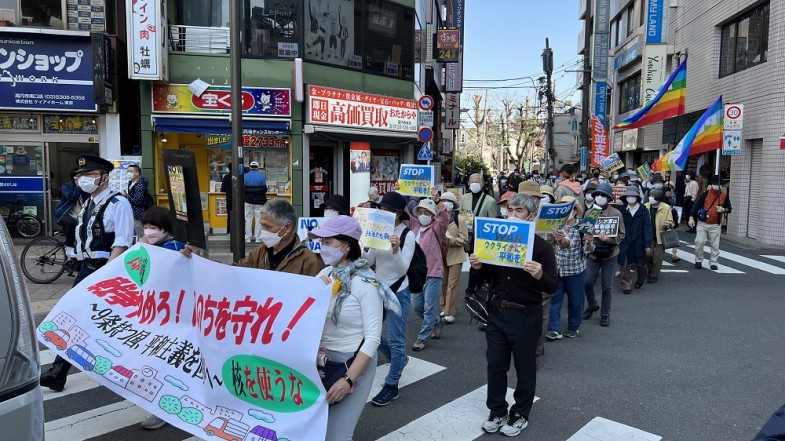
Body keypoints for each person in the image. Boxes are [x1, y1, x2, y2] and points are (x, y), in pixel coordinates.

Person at [40, 154, 134, 392]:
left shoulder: (118, 203)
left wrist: (106, 277)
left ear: (105, 177)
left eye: (89, 175)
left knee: (91, 323)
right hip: (86, 269)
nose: (83, 179)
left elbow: (121, 244)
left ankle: (59, 373)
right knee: (78, 322)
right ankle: (57, 373)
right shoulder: (88, 203)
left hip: (102, 272)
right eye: (80, 176)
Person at [470, 193, 558, 437]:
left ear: (531, 215)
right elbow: (486, 278)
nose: (512, 215)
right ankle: (497, 410)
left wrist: (540, 274)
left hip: (526, 315)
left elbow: (553, 286)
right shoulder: (495, 240)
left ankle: (520, 413)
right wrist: (478, 267)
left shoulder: (542, 248)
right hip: (497, 312)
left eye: (519, 211)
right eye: (509, 210)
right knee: (496, 365)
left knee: (525, 367)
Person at [310, 216, 401, 441]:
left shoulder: (367, 283)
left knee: (336, 436)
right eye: (321, 242)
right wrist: (312, 295)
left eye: (328, 242)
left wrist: (348, 380)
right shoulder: (324, 275)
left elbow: (372, 338)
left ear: (346, 245)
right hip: (320, 362)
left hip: (352, 366)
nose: (322, 248)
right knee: (311, 429)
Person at [137, 206, 187, 430]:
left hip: (173, 318)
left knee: (166, 364)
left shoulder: (173, 249)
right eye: (146, 227)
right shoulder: (152, 246)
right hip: (157, 316)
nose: (148, 231)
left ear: (165, 229)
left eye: (154, 227)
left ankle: (164, 409)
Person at [182, 198, 322, 275]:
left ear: (286, 228)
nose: (262, 231)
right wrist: (199, 258)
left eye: (267, 227)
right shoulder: (260, 252)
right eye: (262, 225)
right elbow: (233, 272)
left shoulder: (308, 260)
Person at [366, 192, 415, 407]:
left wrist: (395, 249)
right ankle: (399, 359)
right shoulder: (377, 230)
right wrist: (365, 244)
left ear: (397, 213)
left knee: (396, 339)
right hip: (377, 288)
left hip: (398, 291)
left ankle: (392, 384)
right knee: (368, 334)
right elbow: (368, 260)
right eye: (380, 208)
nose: (381, 212)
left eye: (386, 210)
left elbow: (403, 268)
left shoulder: (407, 235)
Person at [406, 198, 449, 351]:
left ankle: (422, 338)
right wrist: (401, 193)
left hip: (433, 272)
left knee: (429, 307)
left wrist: (440, 205)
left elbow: (444, 220)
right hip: (416, 273)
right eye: (421, 212)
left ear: (432, 215)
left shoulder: (436, 228)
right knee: (417, 305)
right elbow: (404, 213)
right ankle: (436, 321)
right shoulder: (414, 225)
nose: (423, 215)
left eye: (427, 213)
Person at [546, 197, 590, 339]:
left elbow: (588, 250)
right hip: (556, 269)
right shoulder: (553, 226)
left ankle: (574, 326)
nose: (566, 212)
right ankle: (554, 328)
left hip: (575, 270)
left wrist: (589, 243)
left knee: (576, 300)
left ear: (576, 211)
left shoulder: (583, 226)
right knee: (554, 300)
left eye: (569, 208)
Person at [583, 182, 626, 327]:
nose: (600, 197)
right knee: (587, 282)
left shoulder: (616, 214)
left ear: (609, 199)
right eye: (598, 195)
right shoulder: (589, 213)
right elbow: (584, 231)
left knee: (607, 286)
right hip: (593, 253)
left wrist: (609, 239)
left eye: (603, 195)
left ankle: (605, 314)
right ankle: (592, 305)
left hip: (610, 253)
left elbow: (621, 234)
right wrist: (587, 239)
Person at [463, 173, 500, 296]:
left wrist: (479, 230)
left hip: (482, 239)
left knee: (476, 264)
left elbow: (493, 223)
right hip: (468, 237)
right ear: (468, 183)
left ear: (482, 184)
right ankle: (478, 287)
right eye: (472, 181)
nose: (474, 184)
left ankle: (471, 290)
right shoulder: (464, 198)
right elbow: (461, 217)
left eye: (477, 181)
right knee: (476, 264)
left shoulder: (490, 201)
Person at [689, 175, 731, 271]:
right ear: (712, 184)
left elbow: (729, 209)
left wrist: (723, 209)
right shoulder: (705, 194)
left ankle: (713, 262)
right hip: (702, 223)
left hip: (715, 224)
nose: (718, 186)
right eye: (716, 184)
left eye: (720, 185)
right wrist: (691, 217)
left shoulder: (724, 196)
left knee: (715, 245)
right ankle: (698, 260)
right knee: (699, 242)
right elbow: (696, 206)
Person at [438, 191, 468, 324]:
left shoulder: (460, 219)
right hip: (441, 255)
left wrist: (450, 240)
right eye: (443, 200)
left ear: (453, 204)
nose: (445, 203)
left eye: (448, 201)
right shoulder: (437, 218)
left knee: (452, 284)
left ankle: (451, 312)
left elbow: (464, 240)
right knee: (442, 283)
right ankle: (444, 307)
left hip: (455, 255)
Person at [617, 186, 653, 294]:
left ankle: (641, 279)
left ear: (637, 197)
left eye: (633, 196)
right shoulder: (622, 210)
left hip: (639, 240)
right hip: (625, 240)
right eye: (628, 196)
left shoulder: (643, 210)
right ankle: (626, 285)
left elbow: (647, 227)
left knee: (641, 264)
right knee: (624, 264)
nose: (630, 198)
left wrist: (648, 244)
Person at [53, 167, 88, 257]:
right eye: (80, 176)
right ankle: (69, 247)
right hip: (65, 214)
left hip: (80, 214)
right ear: (74, 177)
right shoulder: (66, 186)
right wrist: (78, 187)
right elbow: (72, 197)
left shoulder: (85, 187)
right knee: (72, 223)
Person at [644, 188, 674, 283]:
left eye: (653, 196)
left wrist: (667, 224)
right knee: (647, 255)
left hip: (660, 236)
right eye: (650, 196)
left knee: (658, 257)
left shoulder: (666, 208)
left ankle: (654, 275)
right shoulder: (645, 206)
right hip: (648, 236)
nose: (651, 198)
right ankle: (650, 270)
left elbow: (671, 222)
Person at [244, 161, 268, 242]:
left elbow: (241, 189)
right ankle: (257, 238)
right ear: (257, 167)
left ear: (250, 167)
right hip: (259, 202)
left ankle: (248, 238)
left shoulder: (244, 176)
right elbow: (265, 189)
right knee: (258, 219)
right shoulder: (261, 176)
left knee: (248, 219)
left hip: (247, 201)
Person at [125, 164, 150, 237]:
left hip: (138, 213)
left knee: (141, 233)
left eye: (131, 171)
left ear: (137, 173)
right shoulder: (131, 183)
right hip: (132, 212)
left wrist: (126, 196)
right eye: (127, 171)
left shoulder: (141, 184)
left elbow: (137, 200)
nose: (128, 173)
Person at [220, 163, 233, 234]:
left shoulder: (226, 177)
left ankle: (229, 231)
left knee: (230, 216)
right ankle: (240, 230)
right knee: (240, 215)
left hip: (229, 199)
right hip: (239, 200)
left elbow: (223, 189)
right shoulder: (240, 177)